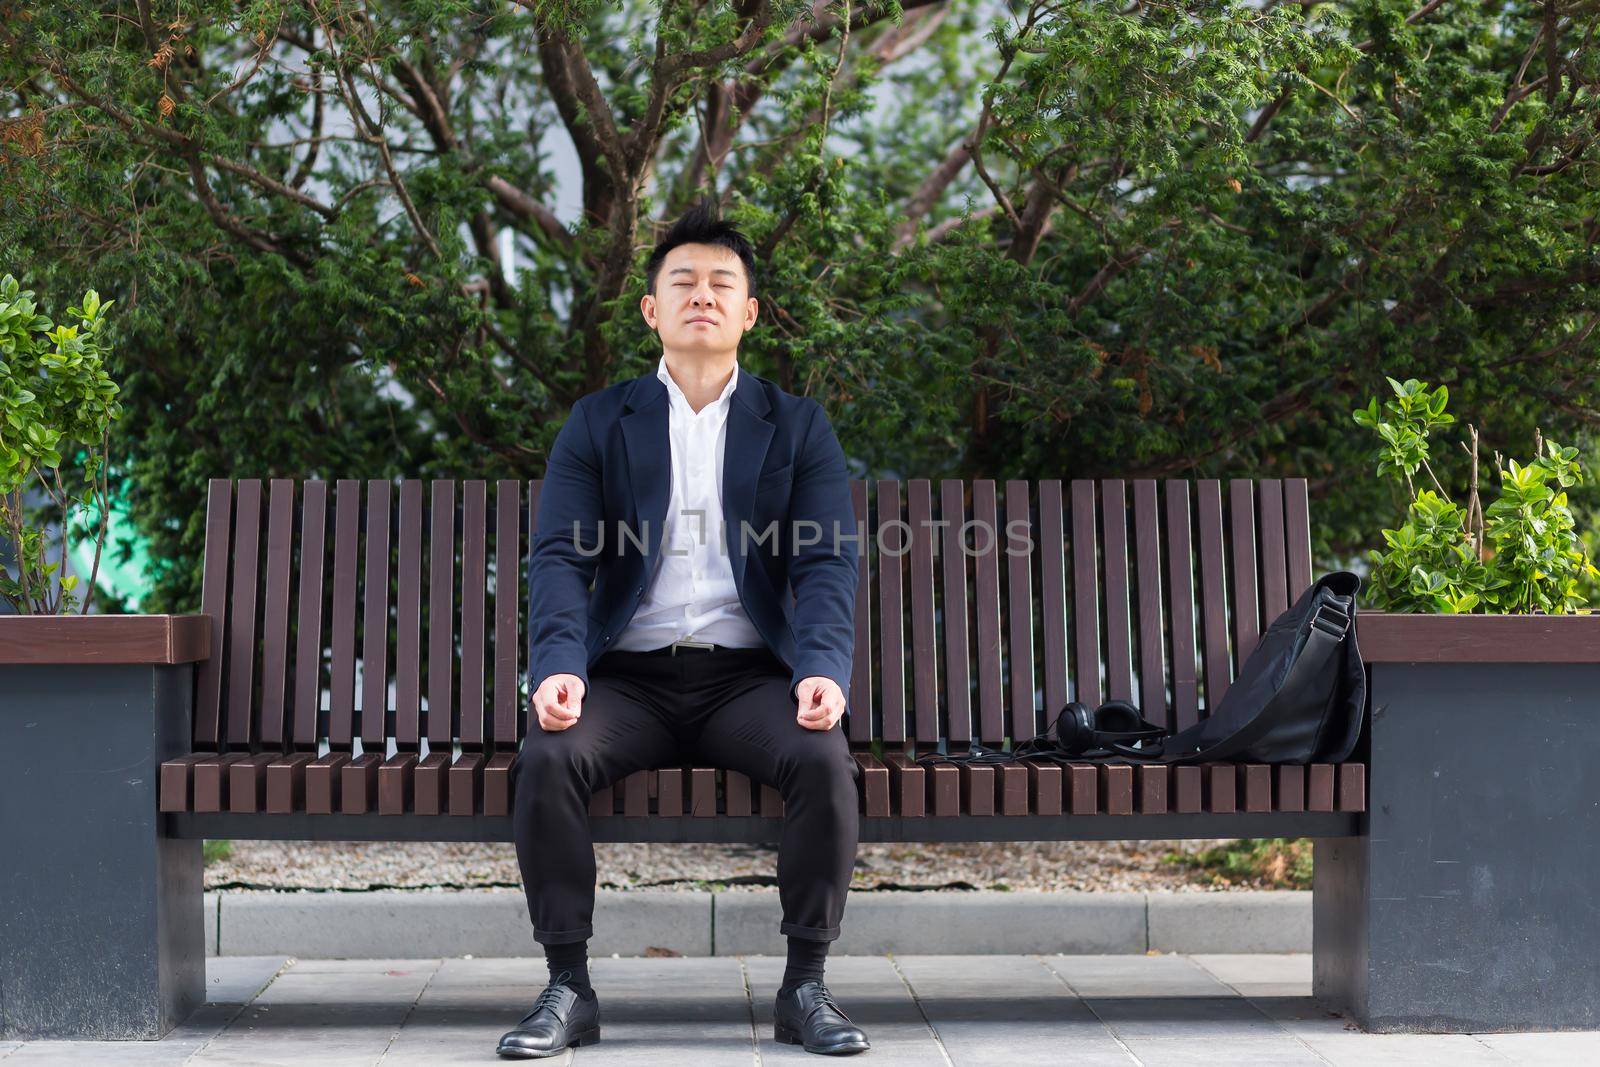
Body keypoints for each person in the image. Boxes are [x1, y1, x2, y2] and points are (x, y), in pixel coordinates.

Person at [496, 203, 869, 1059]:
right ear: (651, 310)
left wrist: (821, 667)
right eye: (683, 282)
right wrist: (557, 665)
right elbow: (558, 555)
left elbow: (826, 564)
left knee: (823, 756)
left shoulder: (797, 426)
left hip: (749, 678)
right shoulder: (600, 422)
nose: (702, 295)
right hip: (625, 679)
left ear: (749, 312)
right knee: (548, 754)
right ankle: (568, 986)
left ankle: (804, 985)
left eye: (721, 283)